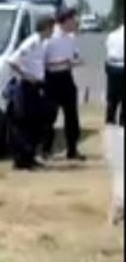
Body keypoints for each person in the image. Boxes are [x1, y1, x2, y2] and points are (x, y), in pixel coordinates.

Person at [6, 14, 54, 171]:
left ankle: (30, 157)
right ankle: (22, 160)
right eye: (51, 27)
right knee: (25, 123)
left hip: (37, 85)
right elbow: (12, 61)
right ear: (45, 27)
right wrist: (26, 76)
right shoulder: (32, 42)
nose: (52, 31)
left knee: (36, 123)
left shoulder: (41, 42)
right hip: (27, 86)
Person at [42, 9, 85, 161]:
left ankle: (72, 149)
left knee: (72, 115)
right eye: (73, 20)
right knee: (49, 117)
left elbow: (77, 57)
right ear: (65, 21)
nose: (75, 23)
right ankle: (45, 150)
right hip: (51, 79)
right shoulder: (50, 38)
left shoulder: (71, 38)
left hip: (66, 78)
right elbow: (42, 61)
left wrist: (72, 62)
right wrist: (61, 62)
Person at [105, 22, 124, 127]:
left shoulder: (112, 35)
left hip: (112, 66)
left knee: (112, 96)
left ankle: (110, 120)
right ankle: (122, 122)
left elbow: (108, 47)